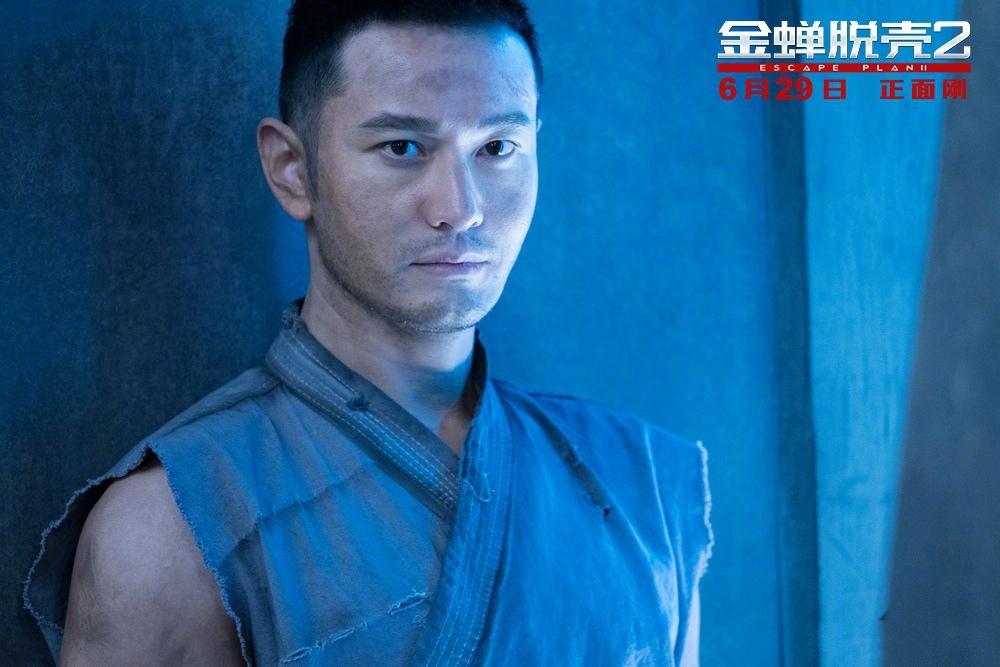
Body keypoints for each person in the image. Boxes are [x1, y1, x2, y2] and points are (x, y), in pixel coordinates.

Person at [23, 1, 713, 665]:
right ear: (292, 170)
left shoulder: (639, 485)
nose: (461, 208)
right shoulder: (172, 525)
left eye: (498, 147)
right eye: (403, 147)